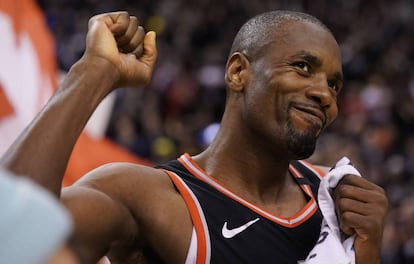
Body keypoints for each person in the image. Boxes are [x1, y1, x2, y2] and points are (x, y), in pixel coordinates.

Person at [0, 10, 388, 263]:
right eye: (303, 67)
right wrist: (95, 72)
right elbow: (11, 236)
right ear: (238, 72)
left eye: (335, 85)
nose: (324, 94)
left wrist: (367, 252)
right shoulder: (152, 198)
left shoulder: (342, 202)